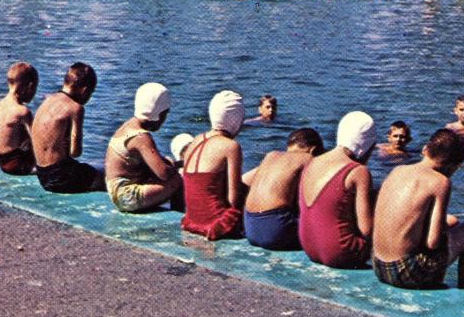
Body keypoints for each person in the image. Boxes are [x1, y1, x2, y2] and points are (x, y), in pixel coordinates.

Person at [372, 129, 464, 290]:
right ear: (455, 165)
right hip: (404, 274)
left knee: (452, 221)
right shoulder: (441, 182)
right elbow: (432, 243)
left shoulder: (398, 170)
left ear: (425, 150)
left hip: (380, 266)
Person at [298, 111, 376, 269]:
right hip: (341, 253)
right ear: (366, 146)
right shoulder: (358, 171)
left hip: (309, 247)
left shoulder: (313, 161)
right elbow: (366, 229)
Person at [104, 83, 183, 212]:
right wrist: (176, 166)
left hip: (116, 193)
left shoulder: (127, 126)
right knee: (177, 180)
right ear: (158, 113)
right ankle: (180, 216)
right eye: (164, 114)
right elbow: (163, 173)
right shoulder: (141, 137)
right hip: (127, 197)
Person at [242, 128, 325, 250]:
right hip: (276, 230)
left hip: (250, 227)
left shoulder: (271, 155)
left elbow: (244, 180)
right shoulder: (308, 159)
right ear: (313, 150)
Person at [180, 90, 246, 240]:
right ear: (236, 120)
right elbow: (233, 199)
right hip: (215, 223)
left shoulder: (196, 140)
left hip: (193, 219)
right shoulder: (231, 146)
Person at [31, 62, 105, 193]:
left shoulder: (48, 100)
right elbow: (75, 152)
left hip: (42, 176)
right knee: (111, 174)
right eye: (91, 93)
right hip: (62, 178)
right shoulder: (76, 108)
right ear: (85, 90)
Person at [0, 62, 39, 175]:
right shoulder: (22, 111)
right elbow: (38, 142)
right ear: (30, 87)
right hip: (19, 166)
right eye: (35, 88)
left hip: (3, 163)